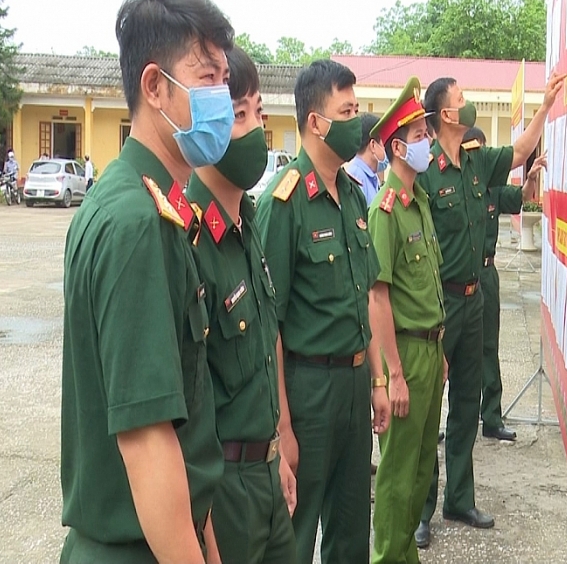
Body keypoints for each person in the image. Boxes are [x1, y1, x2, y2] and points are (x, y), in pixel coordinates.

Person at [60, 0, 235, 564]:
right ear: (155, 86)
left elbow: (186, 430)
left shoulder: (144, 201)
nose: (221, 95)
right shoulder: (138, 222)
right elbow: (148, 439)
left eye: (224, 78)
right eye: (206, 77)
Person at [415, 70, 565, 548]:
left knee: (466, 401)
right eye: (461, 97)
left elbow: (519, 152)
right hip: (438, 304)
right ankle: (421, 509)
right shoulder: (424, 172)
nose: (469, 102)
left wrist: (544, 107)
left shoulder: (477, 161)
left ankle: (459, 498)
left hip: (474, 296)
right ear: (446, 113)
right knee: (428, 411)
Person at [255, 59, 391, 564]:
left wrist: (377, 380)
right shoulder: (284, 203)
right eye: (347, 111)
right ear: (316, 122)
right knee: (296, 530)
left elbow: (364, 297)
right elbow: (269, 327)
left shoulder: (353, 196)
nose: (358, 121)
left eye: (357, 109)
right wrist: (283, 428)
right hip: (308, 391)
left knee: (351, 528)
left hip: (353, 386)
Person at [185, 45, 297, 563]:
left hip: (267, 471)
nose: (255, 128)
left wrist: (282, 441)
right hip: (223, 490)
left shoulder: (248, 223)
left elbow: (268, 337)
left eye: (258, 112)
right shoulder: (188, 240)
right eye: (238, 114)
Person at [368, 77, 447, 564]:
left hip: (430, 352)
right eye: (419, 136)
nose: (428, 142)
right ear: (398, 148)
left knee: (420, 471)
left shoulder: (419, 203)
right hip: (405, 356)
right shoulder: (387, 210)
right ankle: (387, 558)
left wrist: (440, 352)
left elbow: (428, 286)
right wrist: (392, 374)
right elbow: (378, 298)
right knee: (397, 476)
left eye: (427, 134)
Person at [462, 127, 547, 442]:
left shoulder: (493, 187)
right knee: (455, 352)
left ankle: (491, 417)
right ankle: (456, 420)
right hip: (459, 277)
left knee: (489, 346)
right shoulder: (455, 187)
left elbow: (521, 198)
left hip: (486, 273)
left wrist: (531, 178)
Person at [345, 113, 386, 204]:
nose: (386, 147)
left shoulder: (372, 177)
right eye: (383, 141)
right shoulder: (357, 179)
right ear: (373, 145)